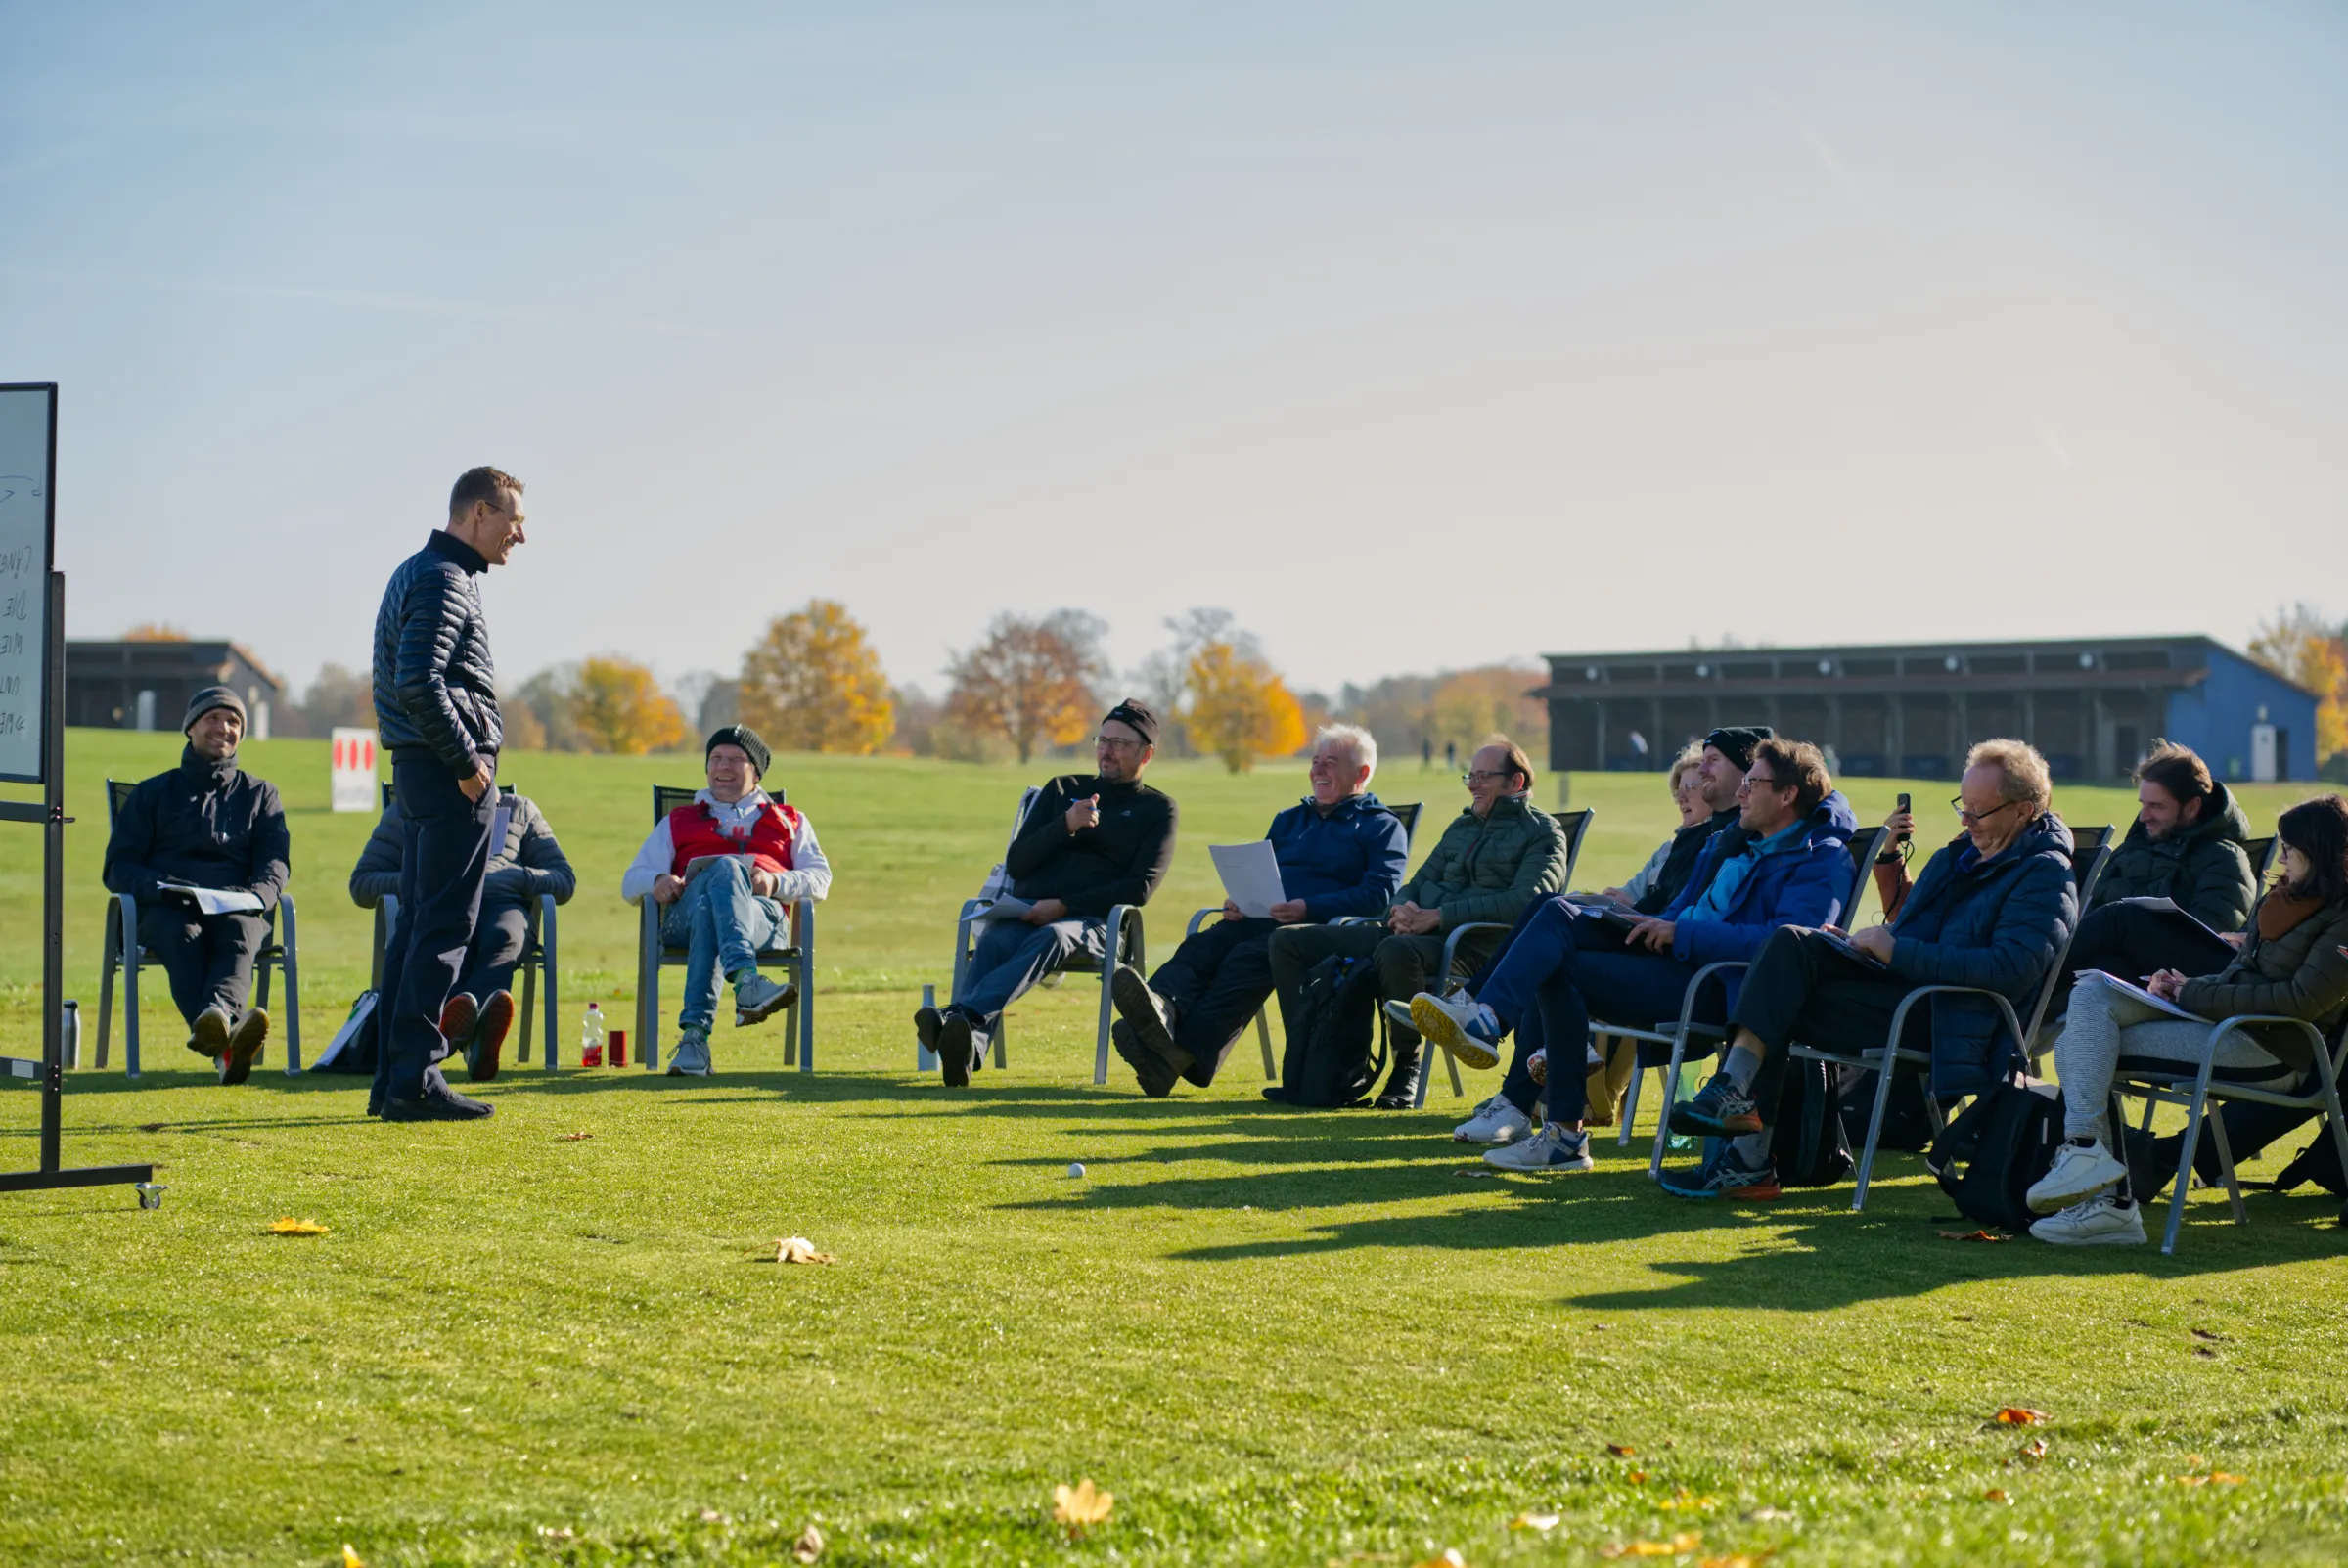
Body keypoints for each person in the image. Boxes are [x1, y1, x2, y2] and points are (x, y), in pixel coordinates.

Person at [1665, 739, 2078, 1199]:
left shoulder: (2046, 873)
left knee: (1780, 985)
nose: (1966, 821)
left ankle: (1746, 1153)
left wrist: (1895, 952)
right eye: (1963, 806)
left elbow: (2010, 969)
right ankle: (1735, 1103)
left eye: (1979, 812)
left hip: (1950, 1020)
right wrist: (1859, 949)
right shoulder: (1954, 858)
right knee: (1792, 946)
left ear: (2023, 811)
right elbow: (1910, 933)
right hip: (1904, 996)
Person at [1414, 739, 1856, 1167]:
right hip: (1677, 957)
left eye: (1752, 783)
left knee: (1559, 943)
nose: (1740, 792)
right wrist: (1651, 921)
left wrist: (1679, 932)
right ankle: (1555, 1123)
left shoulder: (1822, 858)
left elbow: (1785, 946)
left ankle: (1495, 1031)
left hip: (1717, 986)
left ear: (1788, 795)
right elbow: (1688, 906)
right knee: (1556, 918)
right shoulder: (1744, 845)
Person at [2025, 794, 2348, 1245]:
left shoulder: (2341, 918)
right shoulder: (2285, 900)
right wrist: (2181, 984)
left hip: (2275, 1052)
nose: (2283, 859)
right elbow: (2242, 975)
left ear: (2322, 854)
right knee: (2094, 992)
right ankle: (2085, 1154)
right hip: (2230, 1027)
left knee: (2083, 1045)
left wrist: (2194, 992)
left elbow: (2298, 1002)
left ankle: (2110, 1201)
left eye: (2292, 851)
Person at [1430, 726, 1767, 1137]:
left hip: (1688, 968)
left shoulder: (1744, 839)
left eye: (1710, 765)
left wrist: (1656, 921)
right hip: (1663, 941)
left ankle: (1494, 1037)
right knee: (1551, 918)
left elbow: (1755, 929)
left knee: (1554, 925)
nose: (1691, 786)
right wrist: (1628, 909)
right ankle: (1517, 1085)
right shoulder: (1719, 835)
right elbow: (1677, 903)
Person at [1266, 738, 1570, 1108]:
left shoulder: (1544, 833)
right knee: (1288, 942)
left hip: (1473, 950)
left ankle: (1406, 1068)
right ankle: (1302, 1066)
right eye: (1469, 776)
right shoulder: (1462, 826)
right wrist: (1399, 911)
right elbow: (1415, 882)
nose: (1472, 784)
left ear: (1515, 783)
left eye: (1483, 776)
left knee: (1397, 950)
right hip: (1413, 934)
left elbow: (1526, 902)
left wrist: (1438, 917)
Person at [1110, 725, 1407, 1097]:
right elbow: (1261, 868)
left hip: (1319, 933)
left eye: (1330, 764)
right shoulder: (1289, 820)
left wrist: (1307, 908)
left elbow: (1379, 894)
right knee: (1206, 944)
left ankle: (1171, 1052)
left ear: (1362, 773)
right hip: (1261, 918)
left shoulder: (1382, 826)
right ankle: (1162, 1008)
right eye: (1315, 762)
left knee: (1249, 957)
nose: (1318, 771)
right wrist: (1240, 898)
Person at [368, 465, 526, 1122]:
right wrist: (466, 762)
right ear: (478, 513)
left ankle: (395, 1080)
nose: (520, 535)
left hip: (420, 769)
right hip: (444, 771)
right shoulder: (444, 578)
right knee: (443, 926)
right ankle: (416, 1079)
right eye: (514, 520)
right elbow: (419, 680)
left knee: (416, 929)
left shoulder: (426, 570)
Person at [918, 700, 1178, 1088]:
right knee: (994, 943)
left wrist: (1064, 906)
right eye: (1102, 739)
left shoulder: (1158, 810)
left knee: (1054, 935)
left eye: (1120, 744)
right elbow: (1018, 862)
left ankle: (960, 1016)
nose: (1106, 750)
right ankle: (967, 1050)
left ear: (1147, 753)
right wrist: (1066, 825)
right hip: (1027, 912)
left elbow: (1139, 888)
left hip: (1095, 924)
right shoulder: (1062, 790)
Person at [101, 686, 289, 1084]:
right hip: (165, 908)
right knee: (181, 932)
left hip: (237, 905)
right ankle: (226, 1033)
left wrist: (259, 896)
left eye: (234, 721)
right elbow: (118, 866)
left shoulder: (261, 795)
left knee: (240, 930)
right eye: (213, 719)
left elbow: (275, 862)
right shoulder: (152, 793)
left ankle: (221, 1032)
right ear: (190, 728)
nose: (224, 727)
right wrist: (161, 888)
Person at [620, 726, 831, 1077]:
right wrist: (658, 880)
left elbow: (821, 879)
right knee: (721, 878)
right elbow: (631, 880)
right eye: (716, 758)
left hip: (760, 916)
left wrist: (776, 881)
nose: (723, 766)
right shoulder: (679, 820)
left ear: (757, 773)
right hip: (682, 920)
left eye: (736, 759)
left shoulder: (789, 819)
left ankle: (694, 1040)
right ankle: (747, 981)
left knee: (711, 908)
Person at [350, 787, 577, 1079]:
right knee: (453, 938)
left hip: (502, 905)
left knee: (504, 936)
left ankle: (460, 1034)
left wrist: (515, 878)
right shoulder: (408, 809)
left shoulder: (519, 810)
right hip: (438, 906)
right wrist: (429, 881)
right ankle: (474, 1042)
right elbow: (363, 883)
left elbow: (563, 878)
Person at [2042, 741, 2259, 1020]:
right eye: (2143, 805)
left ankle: (2021, 995)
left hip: (2184, 976)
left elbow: (2207, 939)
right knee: (2104, 965)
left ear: (2192, 807)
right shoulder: (2132, 850)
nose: (2144, 816)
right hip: (2125, 966)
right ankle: (2017, 1028)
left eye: (2156, 806)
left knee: (2119, 918)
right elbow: (2090, 913)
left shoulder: (2225, 860)